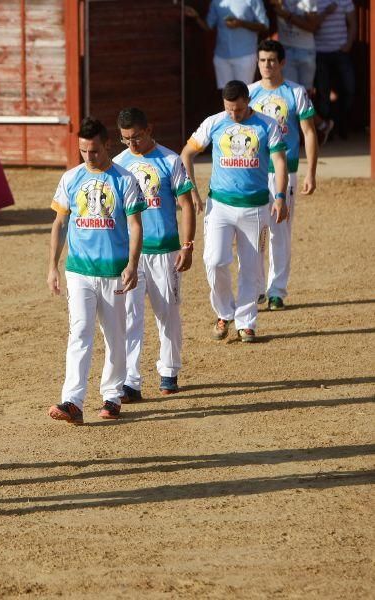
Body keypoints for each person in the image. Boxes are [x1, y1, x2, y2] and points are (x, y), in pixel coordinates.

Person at [47, 117, 145, 425]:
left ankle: (112, 396)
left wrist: (132, 264)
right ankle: (73, 400)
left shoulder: (125, 179)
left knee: (115, 334)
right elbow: (60, 223)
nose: (89, 157)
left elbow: (135, 224)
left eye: (94, 151)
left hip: (114, 271)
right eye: (83, 151)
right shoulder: (70, 178)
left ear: (107, 146)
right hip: (79, 270)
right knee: (80, 331)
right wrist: (52, 266)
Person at [181, 80, 288, 344]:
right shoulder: (215, 122)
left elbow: (279, 161)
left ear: (247, 101)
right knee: (214, 261)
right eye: (229, 109)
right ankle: (223, 311)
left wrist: (281, 196)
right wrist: (192, 190)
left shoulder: (267, 125)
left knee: (251, 267)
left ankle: (246, 322)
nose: (234, 115)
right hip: (220, 206)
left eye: (238, 110)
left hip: (255, 206)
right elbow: (186, 154)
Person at [112, 108, 196, 401]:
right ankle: (130, 381)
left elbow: (186, 204)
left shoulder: (170, 160)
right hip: (131, 255)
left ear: (150, 129)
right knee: (130, 316)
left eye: (136, 137)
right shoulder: (117, 165)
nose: (132, 144)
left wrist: (187, 244)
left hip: (164, 250)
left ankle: (169, 370)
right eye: (125, 139)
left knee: (167, 312)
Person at [249, 39, 318, 311]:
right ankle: (254, 288)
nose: (267, 65)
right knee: (253, 232)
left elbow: (309, 132)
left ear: (282, 63)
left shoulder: (296, 92)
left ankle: (276, 290)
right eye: (263, 60)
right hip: (252, 173)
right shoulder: (250, 93)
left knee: (279, 232)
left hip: (283, 172)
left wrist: (310, 171)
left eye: (272, 61)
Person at [185, 1, 269, 88]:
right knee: (227, 95)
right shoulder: (216, 2)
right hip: (221, 57)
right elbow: (208, 26)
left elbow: (264, 26)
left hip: (245, 56)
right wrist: (196, 17)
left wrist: (241, 23)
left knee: (242, 94)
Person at [312, 0, 357, 142]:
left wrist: (349, 44)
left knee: (349, 89)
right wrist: (326, 13)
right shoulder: (313, 2)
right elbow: (311, 25)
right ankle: (327, 132)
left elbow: (353, 23)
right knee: (323, 93)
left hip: (340, 51)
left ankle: (340, 124)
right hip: (320, 53)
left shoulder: (345, 1)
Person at [270, 0, 320, 92]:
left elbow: (312, 27)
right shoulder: (278, 2)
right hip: (286, 50)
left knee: (306, 92)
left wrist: (288, 16)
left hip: (306, 50)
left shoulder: (308, 1)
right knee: (290, 91)